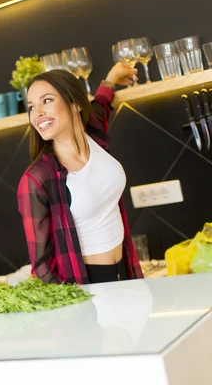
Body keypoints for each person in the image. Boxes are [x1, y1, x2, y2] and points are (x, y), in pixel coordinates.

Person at [17, 62, 144, 284]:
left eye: (46, 101)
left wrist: (111, 79)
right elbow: (42, 267)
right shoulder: (37, 179)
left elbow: (101, 103)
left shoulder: (92, 135)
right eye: (31, 107)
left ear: (75, 104)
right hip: (88, 284)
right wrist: (72, 309)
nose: (38, 113)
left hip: (126, 272)